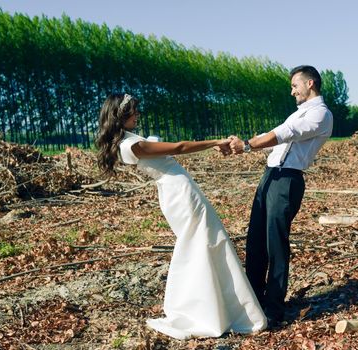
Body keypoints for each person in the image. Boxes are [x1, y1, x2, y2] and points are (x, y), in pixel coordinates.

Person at [95, 93, 267, 340]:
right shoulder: (130, 145)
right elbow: (180, 147)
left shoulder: (129, 140)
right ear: (121, 115)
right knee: (203, 243)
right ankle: (210, 309)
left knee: (203, 244)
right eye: (134, 111)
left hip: (177, 190)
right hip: (180, 193)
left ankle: (219, 306)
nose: (138, 114)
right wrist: (215, 142)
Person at [229, 65, 333, 328]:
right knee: (255, 240)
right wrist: (239, 143)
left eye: (294, 85)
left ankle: (274, 309)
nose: (291, 91)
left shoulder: (321, 114)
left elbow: (286, 134)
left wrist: (247, 146)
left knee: (275, 243)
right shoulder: (298, 113)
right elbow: (273, 133)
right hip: (271, 175)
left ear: (310, 83)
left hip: (287, 180)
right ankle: (252, 301)